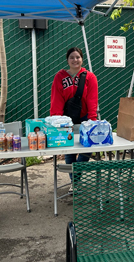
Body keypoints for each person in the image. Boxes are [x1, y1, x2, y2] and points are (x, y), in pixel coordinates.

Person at [50, 47, 98, 191]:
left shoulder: (90, 77)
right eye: (72, 57)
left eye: (77, 57)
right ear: (67, 60)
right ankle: (75, 183)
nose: (75, 60)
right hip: (65, 119)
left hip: (84, 118)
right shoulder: (60, 77)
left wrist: (92, 120)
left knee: (87, 148)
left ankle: (75, 178)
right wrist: (56, 120)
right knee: (69, 150)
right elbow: (56, 99)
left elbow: (92, 100)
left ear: (82, 59)